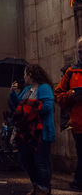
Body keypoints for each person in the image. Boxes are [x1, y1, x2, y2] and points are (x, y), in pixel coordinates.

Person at [10, 64, 55, 195]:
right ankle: (36, 185)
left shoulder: (44, 88)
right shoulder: (27, 89)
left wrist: (28, 108)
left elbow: (47, 106)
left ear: (30, 75)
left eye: (25, 74)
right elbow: (17, 105)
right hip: (27, 133)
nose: (24, 77)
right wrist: (13, 93)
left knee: (41, 162)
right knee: (26, 160)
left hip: (41, 132)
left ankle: (43, 188)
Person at [54, 36, 82, 191]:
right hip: (79, 124)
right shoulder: (71, 73)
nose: (81, 54)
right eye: (80, 51)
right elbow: (58, 96)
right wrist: (71, 94)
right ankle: (78, 181)